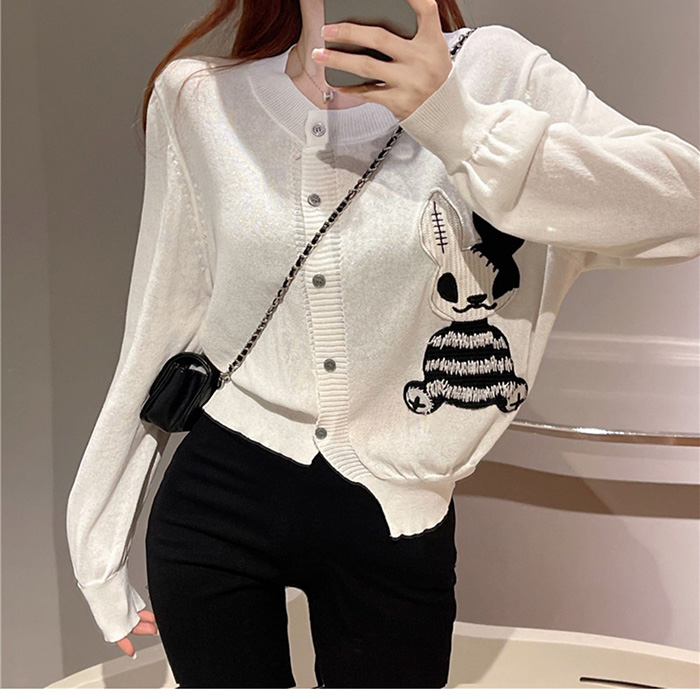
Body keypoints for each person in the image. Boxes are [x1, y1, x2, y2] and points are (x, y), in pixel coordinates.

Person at [65, 0, 700, 689]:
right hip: (218, 498)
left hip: (396, 514)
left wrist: (458, 124)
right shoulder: (201, 98)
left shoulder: (498, 72)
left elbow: (684, 205)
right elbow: (163, 312)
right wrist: (100, 533)